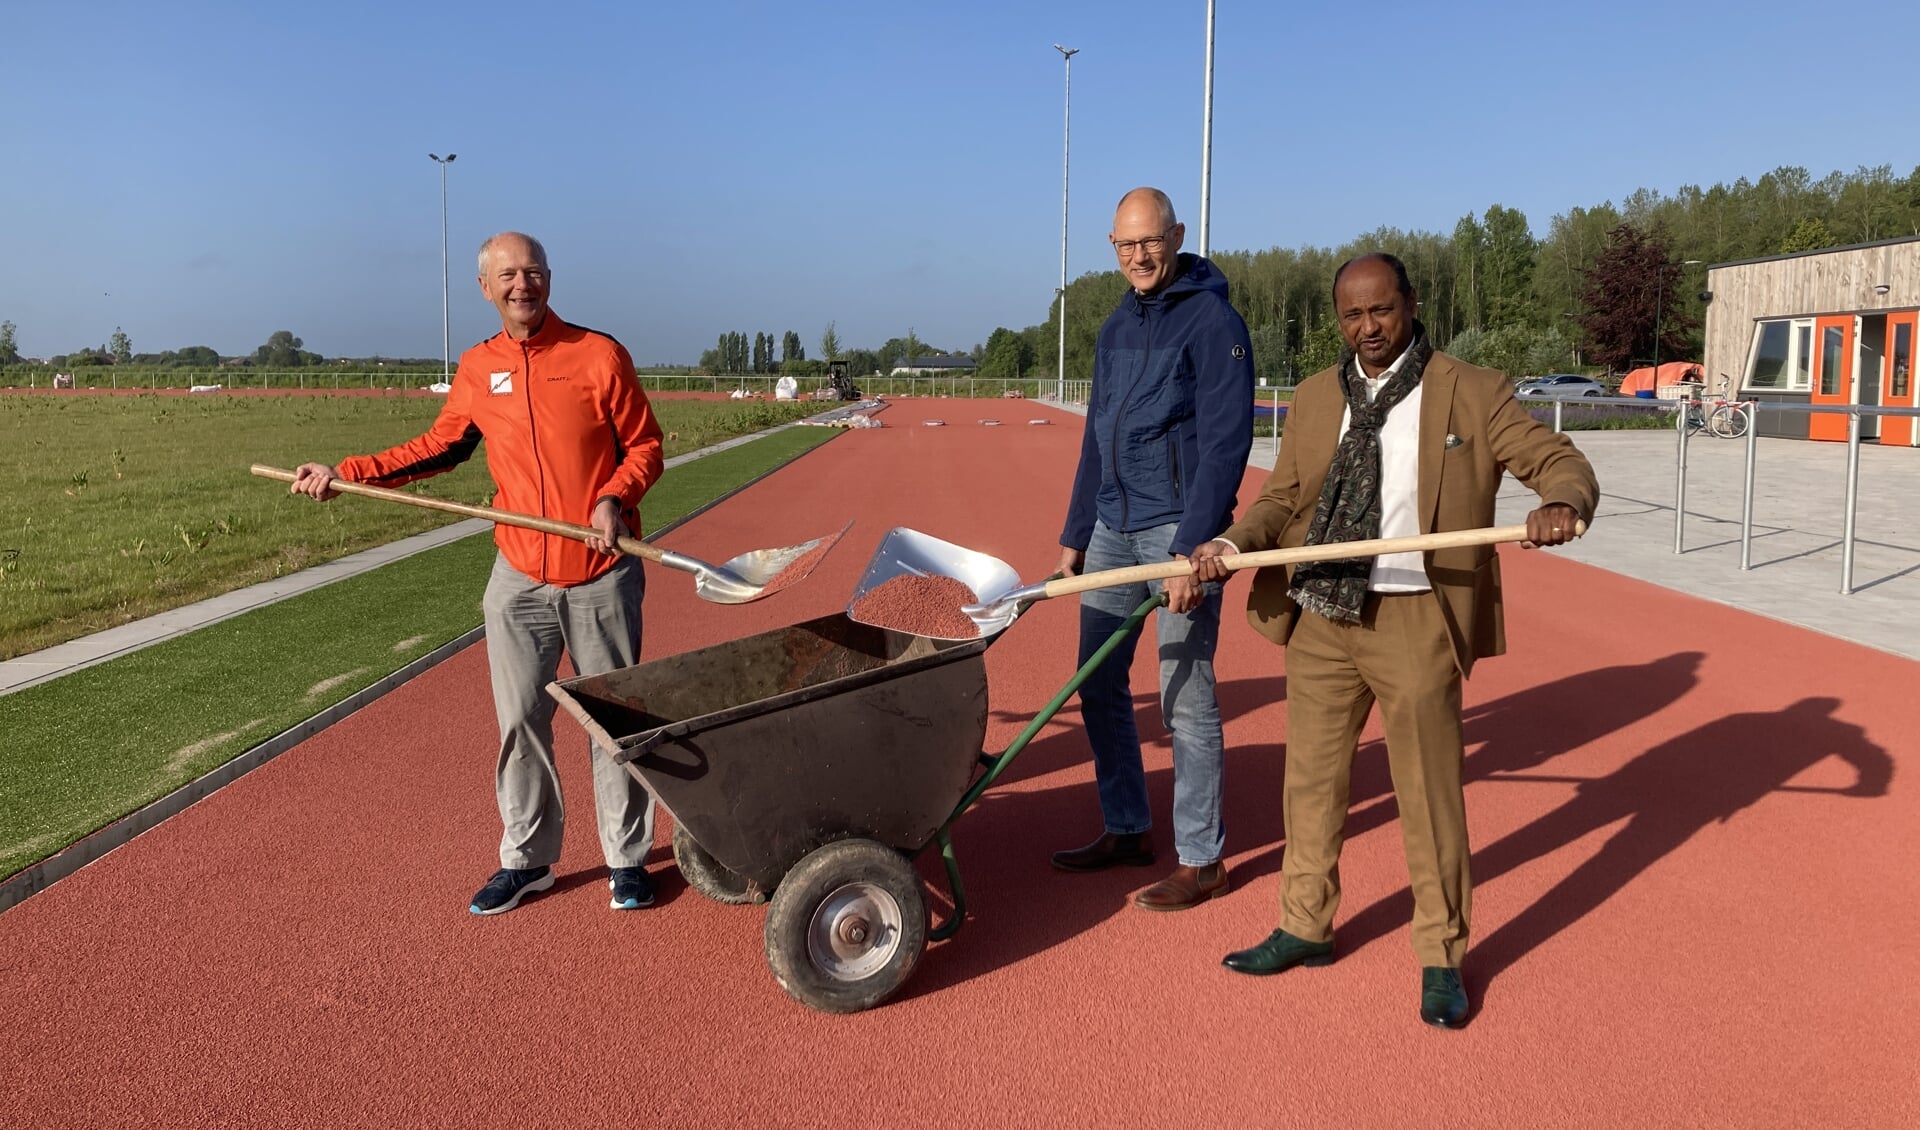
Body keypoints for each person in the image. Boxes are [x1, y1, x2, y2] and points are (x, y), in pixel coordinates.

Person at [1193, 253, 1599, 1027]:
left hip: (1415, 618)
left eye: (1381, 310)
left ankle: (1442, 953)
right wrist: (1234, 543)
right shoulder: (1315, 397)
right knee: (1310, 785)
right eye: (1352, 315)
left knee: (1428, 794)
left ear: (1410, 304)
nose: (1367, 328)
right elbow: (1282, 496)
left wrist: (1562, 501)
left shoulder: (1472, 391)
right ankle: (1305, 925)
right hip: (1321, 618)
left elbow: (1558, 461)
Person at [290, 232, 666, 917]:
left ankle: (627, 859)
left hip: (601, 569)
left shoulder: (598, 355)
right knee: (521, 723)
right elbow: (439, 448)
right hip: (519, 575)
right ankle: (528, 861)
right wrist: (348, 473)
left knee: (616, 721)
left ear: (550, 279)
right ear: (486, 288)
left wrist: (616, 495)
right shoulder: (478, 367)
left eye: (533, 271)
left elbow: (644, 445)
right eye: (508, 275)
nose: (523, 284)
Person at [1051, 187, 1254, 910]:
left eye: (1150, 242)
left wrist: (1196, 546)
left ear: (1176, 237)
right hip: (1111, 529)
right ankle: (1127, 824)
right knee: (1098, 683)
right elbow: (1095, 437)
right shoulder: (1113, 328)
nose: (1138, 257)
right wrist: (1077, 534)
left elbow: (1227, 442)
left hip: (1177, 532)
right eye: (1125, 245)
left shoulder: (1213, 321)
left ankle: (1202, 858)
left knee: (1184, 699)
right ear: (1113, 246)